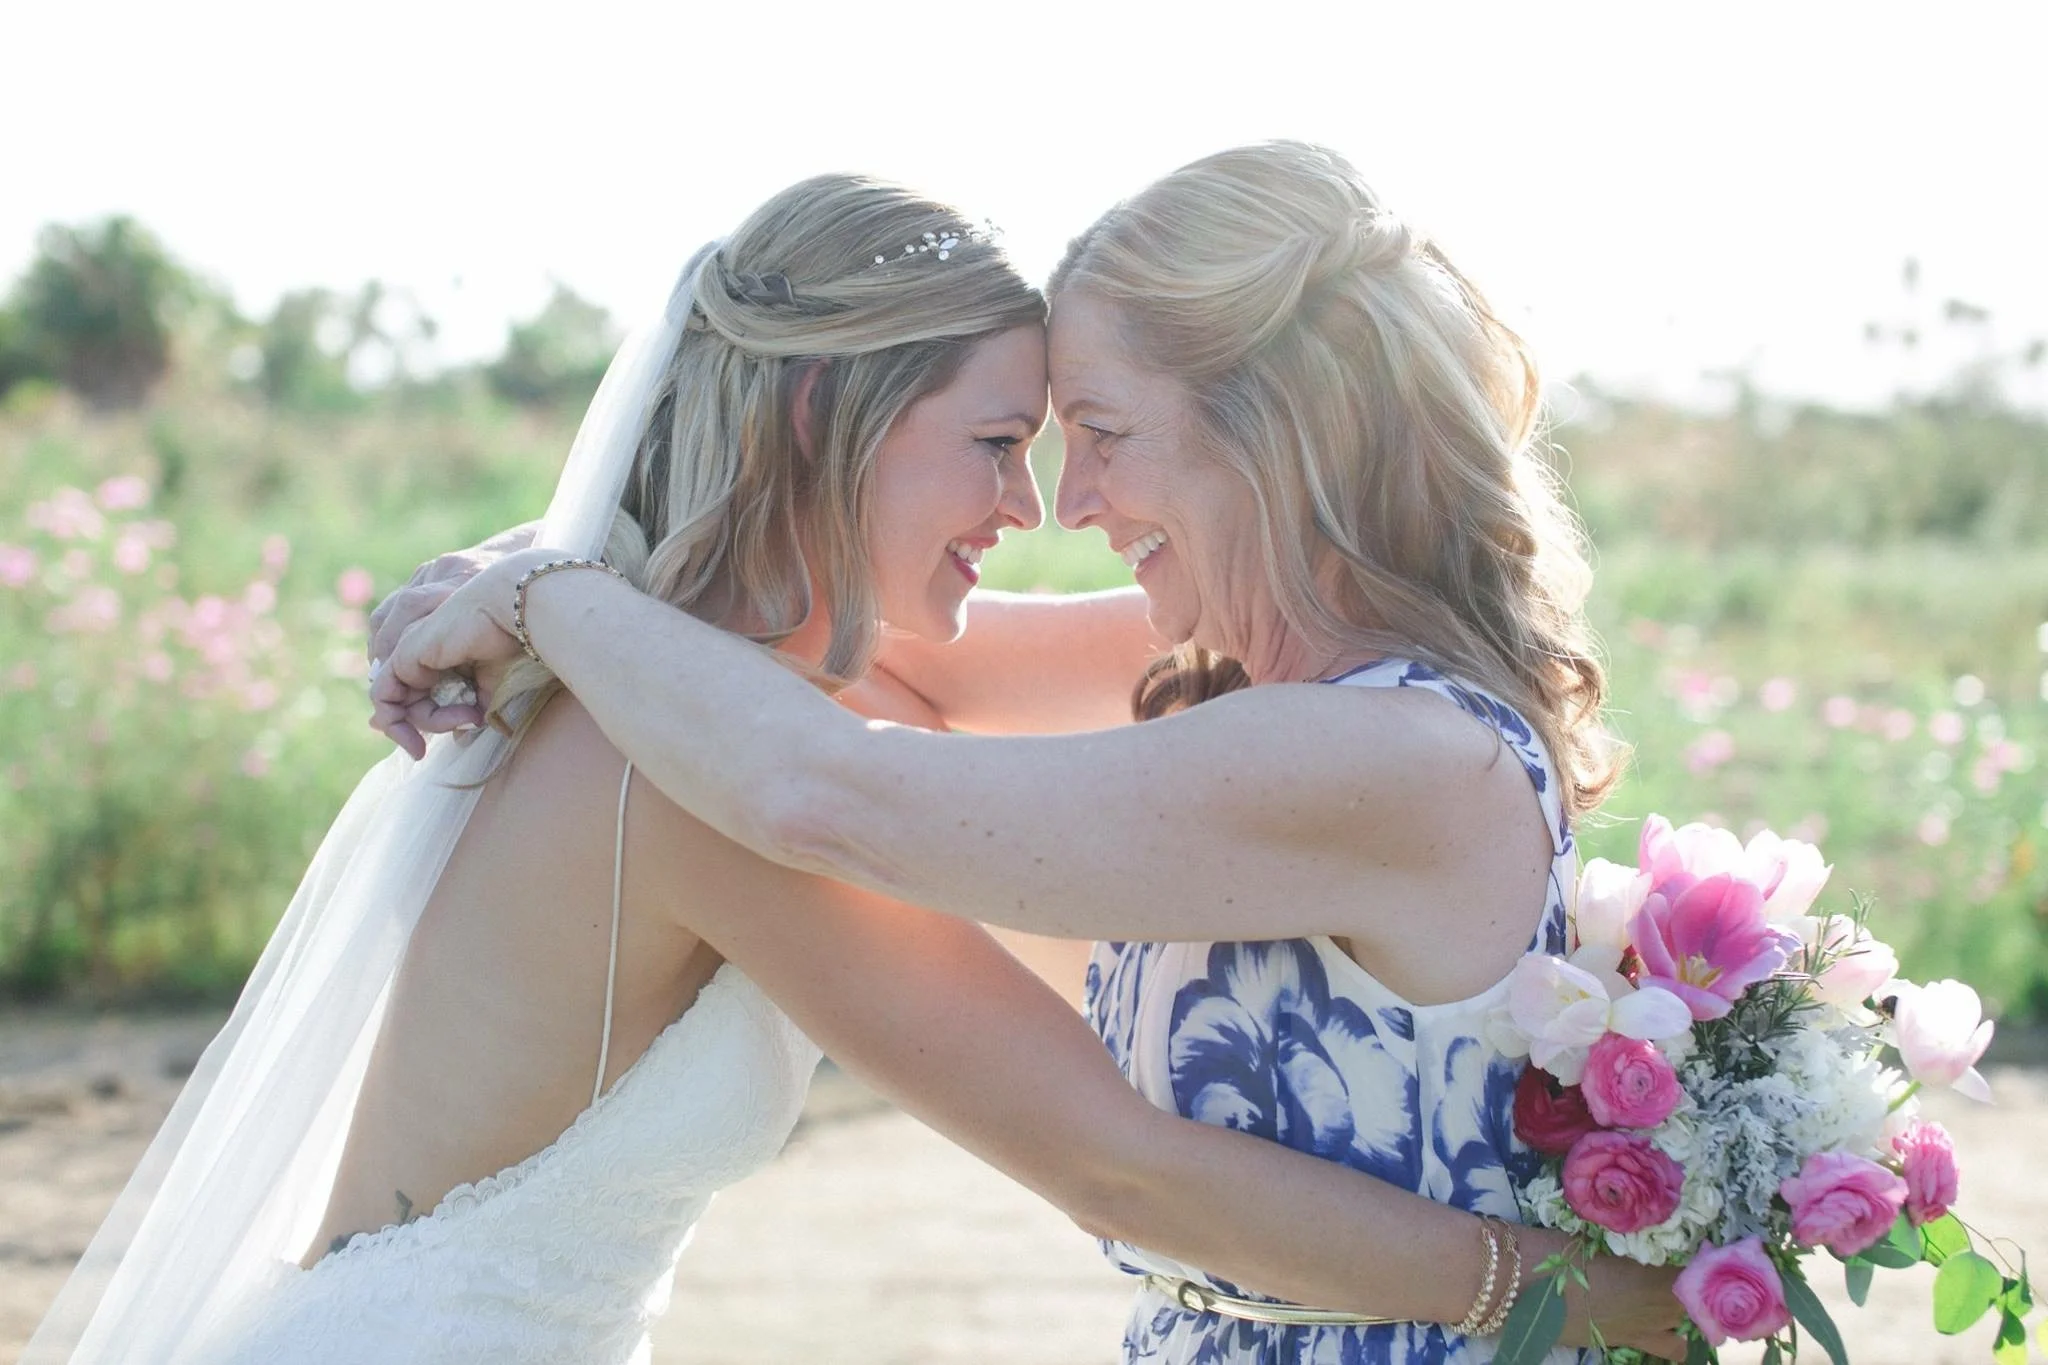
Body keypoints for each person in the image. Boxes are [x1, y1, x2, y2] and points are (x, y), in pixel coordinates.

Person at [30, 171, 1675, 1365]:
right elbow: (1103, 1148)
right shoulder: (700, 757)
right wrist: (549, 584)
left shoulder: (725, 711)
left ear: (1274, 428)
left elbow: (888, 711)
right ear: (823, 422)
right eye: (1004, 445)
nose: (1047, 507)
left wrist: (542, 578)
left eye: (1086, 436)